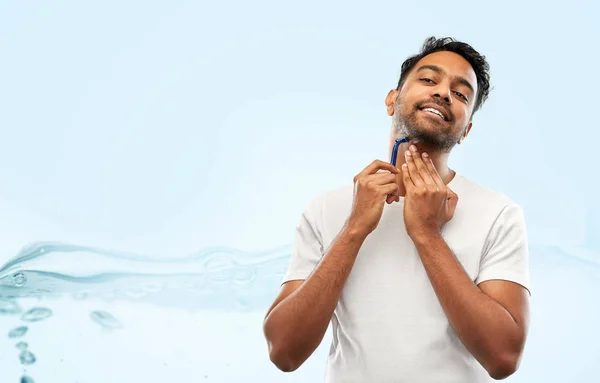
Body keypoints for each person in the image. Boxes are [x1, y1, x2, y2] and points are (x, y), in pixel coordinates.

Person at [262, 36, 531, 382]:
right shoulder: (326, 209)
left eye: (461, 93)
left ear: (467, 130)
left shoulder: (499, 214)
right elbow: (283, 351)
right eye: (428, 79)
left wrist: (426, 235)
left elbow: (503, 358)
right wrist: (354, 229)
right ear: (392, 100)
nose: (443, 93)